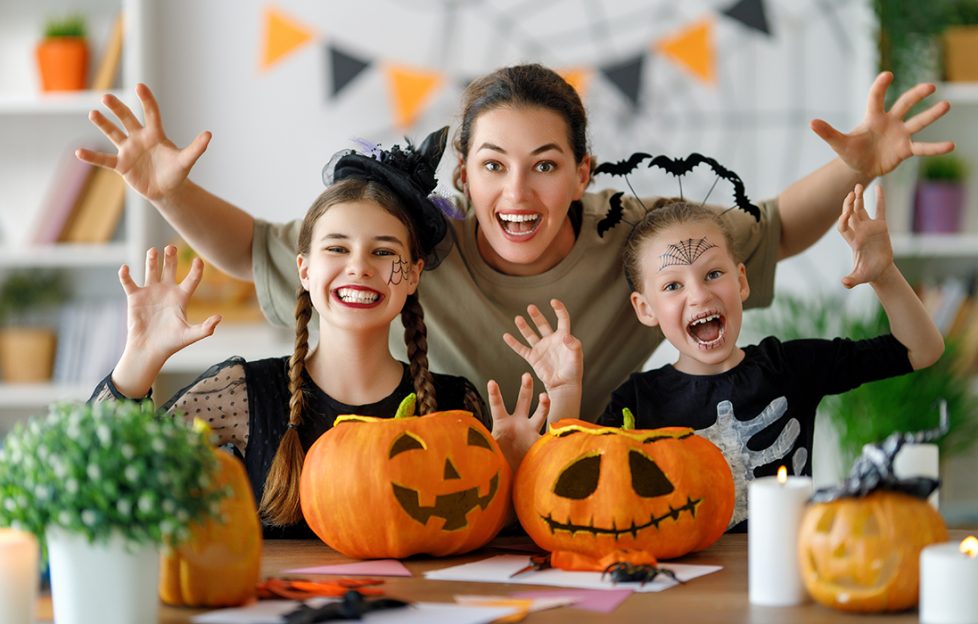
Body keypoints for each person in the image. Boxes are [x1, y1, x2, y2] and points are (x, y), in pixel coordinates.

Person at [77, 64, 954, 421]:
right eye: (493, 166)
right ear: (463, 177)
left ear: (584, 172)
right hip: (451, 490)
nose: (517, 192)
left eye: (544, 165)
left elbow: (773, 232)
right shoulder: (415, 244)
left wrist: (859, 166)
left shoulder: (636, 234)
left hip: (584, 485)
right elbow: (262, 249)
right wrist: (172, 190)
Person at [87, 130, 547, 538]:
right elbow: (100, 477)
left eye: (384, 252)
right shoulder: (244, 394)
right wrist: (139, 359)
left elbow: (475, 527)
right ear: (304, 269)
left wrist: (515, 469)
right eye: (337, 247)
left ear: (412, 275)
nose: (359, 267)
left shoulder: (453, 405)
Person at [596, 183, 944, 530]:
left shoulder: (789, 367)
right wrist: (564, 392)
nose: (699, 295)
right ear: (645, 309)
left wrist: (885, 275)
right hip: (687, 580)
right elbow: (587, 489)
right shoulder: (636, 402)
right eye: (673, 286)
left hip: (792, 568)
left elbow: (920, 349)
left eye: (713, 274)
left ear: (741, 281)